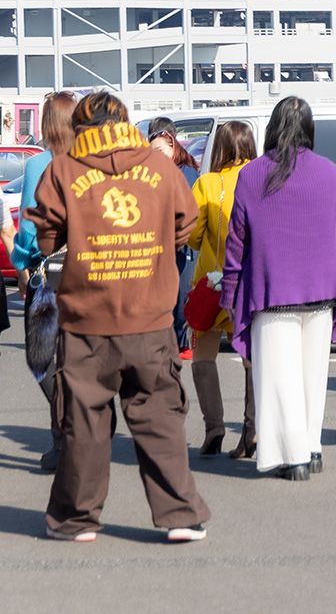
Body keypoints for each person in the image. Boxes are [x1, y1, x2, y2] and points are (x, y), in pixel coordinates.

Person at [29, 91, 209, 543]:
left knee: (84, 422)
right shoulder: (161, 165)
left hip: (87, 319)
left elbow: (46, 234)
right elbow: (186, 221)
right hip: (150, 316)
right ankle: (181, 516)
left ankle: (77, 520)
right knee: (160, 415)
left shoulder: (64, 169)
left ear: (81, 128)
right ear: (126, 121)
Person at [221, 97, 336, 481]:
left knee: (280, 377)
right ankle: (312, 447)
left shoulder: (251, 175)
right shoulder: (330, 173)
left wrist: (228, 296)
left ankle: (294, 458)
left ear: (272, 128)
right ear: (310, 129)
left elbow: (236, 243)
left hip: (271, 293)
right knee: (312, 375)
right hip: (322, 291)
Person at [11, 90, 76, 472]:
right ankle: (73, 432)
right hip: (85, 272)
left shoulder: (40, 165)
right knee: (71, 357)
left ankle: (65, 435)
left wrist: (21, 264)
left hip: (47, 274)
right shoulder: (89, 163)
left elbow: (28, 233)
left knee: (40, 359)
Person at [186, 121, 258, 458]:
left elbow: (193, 236)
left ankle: (213, 429)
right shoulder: (261, 180)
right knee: (251, 358)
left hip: (211, 282)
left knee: (203, 356)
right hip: (250, 283)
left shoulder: (207, 184)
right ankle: (251, 430)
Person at [148, 118, 202, 358]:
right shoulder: (155, 171)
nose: (157, 155)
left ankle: (185, 342)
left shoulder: (186, 172)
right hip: (163, 248)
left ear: (172, 142)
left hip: (183, 248)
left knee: (182, 298)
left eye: (161, 150)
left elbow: (188, 214)